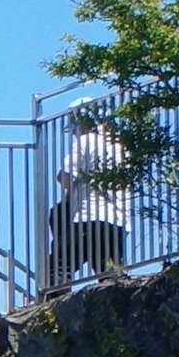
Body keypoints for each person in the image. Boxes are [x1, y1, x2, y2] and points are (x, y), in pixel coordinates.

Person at [50, 108, 131, 291]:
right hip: (118, 220)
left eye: (74, 130)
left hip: (89, 216)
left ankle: (54, 299)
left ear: (82, 124)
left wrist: (71, 195)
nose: (73, 134)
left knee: (60, 264)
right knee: (110, 273)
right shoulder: (121, 145)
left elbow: (66, 176)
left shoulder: (86, 140)